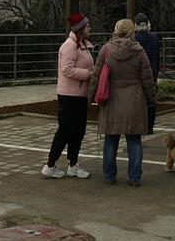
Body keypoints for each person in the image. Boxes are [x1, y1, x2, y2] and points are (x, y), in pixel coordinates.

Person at [89, 18, 156, 187]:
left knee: (111, 138)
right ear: (132, 31)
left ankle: (109, 175)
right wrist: (151, 100)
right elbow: (147, 79)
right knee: (134, 139)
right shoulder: (139, 51)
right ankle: (134, 177)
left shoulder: (106, 50)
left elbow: (96, 76)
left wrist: (90, 97)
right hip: (134, 99)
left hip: (112, 99)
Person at [41, 12, 94, 179]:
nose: (89, 28)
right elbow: (67, 69)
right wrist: (88, 74)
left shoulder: (82, 44)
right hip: (69, 96)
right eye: (87, 26)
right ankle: (50, 165)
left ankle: (73, 164)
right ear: (80, 29)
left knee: (78, 131)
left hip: (79, 95)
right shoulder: (69, 46)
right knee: (65, 131)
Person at [134, 12, 159, 134]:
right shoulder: (154, 38)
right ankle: (150, 126)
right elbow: (157, 58)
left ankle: (139, 125)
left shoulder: (133, 39)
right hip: (152, 72)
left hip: (137, 75)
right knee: (151, 100)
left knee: (138, 100)